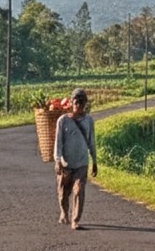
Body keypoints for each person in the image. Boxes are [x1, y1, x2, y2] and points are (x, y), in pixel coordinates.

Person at [52, 88, 98, 230]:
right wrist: (58, 160)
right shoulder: (63, 121)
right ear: (71, 102)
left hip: (82, 163)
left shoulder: (89, 121)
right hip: (66, 164)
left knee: (79, 190)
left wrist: (94, 161)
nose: (79, 105)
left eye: (82, 102)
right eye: (76, 101)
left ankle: (75, 220)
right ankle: (64, 213)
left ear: (85, 104)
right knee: (63, 193)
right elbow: (58, 142)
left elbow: (92, 142)